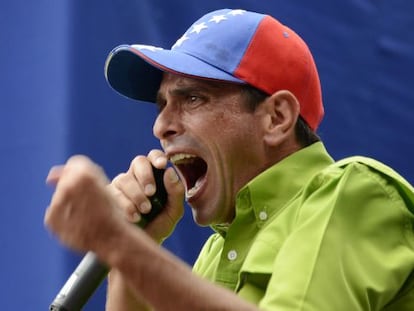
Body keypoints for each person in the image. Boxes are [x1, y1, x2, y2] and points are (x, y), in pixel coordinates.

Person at [44, 8, 414, 311]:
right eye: (162, 106)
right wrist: (132, 245)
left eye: (192, 98)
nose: (161, 125)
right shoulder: (216, 250)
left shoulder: (355, 189)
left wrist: (120, 244)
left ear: (277, 118)